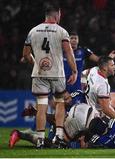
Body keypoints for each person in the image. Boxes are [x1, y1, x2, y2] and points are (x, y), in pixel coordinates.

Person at [21, 4, 77, 148]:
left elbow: (26, 55)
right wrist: (74, 71)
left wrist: (35, 63)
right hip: (57, 74)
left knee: (41, 106)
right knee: (59, 103)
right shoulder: (62, 31)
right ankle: (58, 137)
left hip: (39, 74)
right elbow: (69, 53)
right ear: (57, 15)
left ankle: (39, 139)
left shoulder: (33, 31)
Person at [63, 32, 115, 106]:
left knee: (77, 106)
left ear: (78, 40)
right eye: (71, 38)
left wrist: (109, 58)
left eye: (75, 38)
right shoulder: (62, 51)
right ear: (68, 40)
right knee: (62, 105)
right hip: (63, 84)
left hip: (78, 85)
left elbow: (98, 60)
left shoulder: (83, 51)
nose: (74, 40)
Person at [86, 56, 115, 135]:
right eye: (112, 65)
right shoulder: (102, 84)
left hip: (91, 104)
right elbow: (106, 110)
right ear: (104, 68)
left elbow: (84, 73)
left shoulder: (94, 70)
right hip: (98, 114)